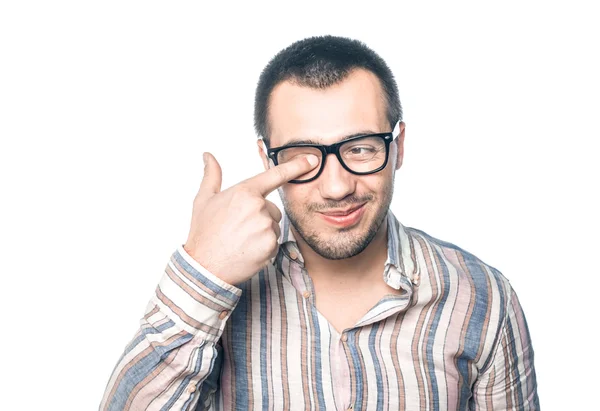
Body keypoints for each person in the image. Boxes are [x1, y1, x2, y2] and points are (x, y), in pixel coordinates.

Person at [100, 35, 539, 411]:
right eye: (303, 157)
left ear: (398, 146)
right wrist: (204, 272)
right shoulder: (223, 292)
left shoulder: (483, 297)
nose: (335, 187)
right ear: (266, 158)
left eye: (362, 149)